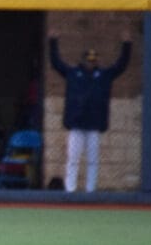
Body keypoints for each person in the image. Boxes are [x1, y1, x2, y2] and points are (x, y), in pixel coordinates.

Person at [48, 31, 132, 192]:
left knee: (93, 160)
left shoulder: (103, 75)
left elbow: (121, 66)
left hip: (94, 124)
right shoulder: (73, 73)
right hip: (76, 124)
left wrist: (126, 45)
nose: (91, 63)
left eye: (94, 61)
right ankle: (70, 190)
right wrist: (53, 41)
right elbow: (56, 63)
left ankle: (90, 191)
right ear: (83, 60)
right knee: (73, 159)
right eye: (88, 60)